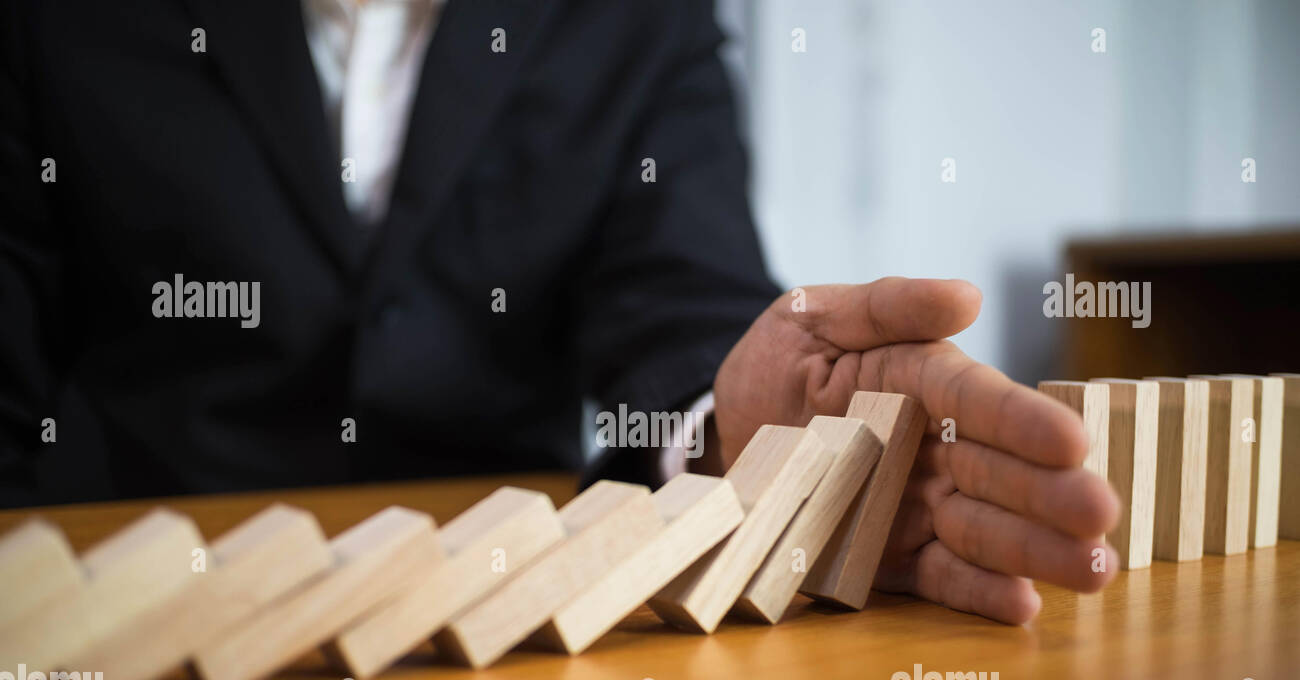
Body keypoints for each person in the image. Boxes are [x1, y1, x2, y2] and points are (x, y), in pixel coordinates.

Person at [0, 0, 1118, 623]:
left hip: (501, 615)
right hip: (120, 605)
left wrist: (748, 445)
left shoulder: (639, 23)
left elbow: (682, 309)